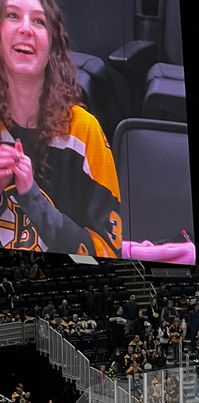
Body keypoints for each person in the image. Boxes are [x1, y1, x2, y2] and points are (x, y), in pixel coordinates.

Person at [0, 0, 122, 257]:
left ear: (54, 44)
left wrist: (34, 201)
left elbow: (109, 252)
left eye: (38, 21)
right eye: (12, 16)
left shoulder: (84, 131)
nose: (25, 29)